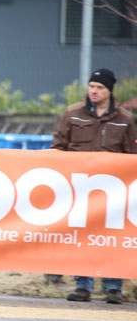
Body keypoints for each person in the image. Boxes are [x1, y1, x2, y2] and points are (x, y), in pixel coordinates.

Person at [52, 68, 135, 305]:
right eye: (91, 87)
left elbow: (131, 155)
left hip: (114, 191)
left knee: (113, 237)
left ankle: (113, 287)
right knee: (82, 237)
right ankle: (82, 285)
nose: (94, 91)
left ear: (109, 91)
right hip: (80, 188)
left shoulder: (124, 119)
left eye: (99, 88)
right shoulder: (72, 114)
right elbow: (58, 147)